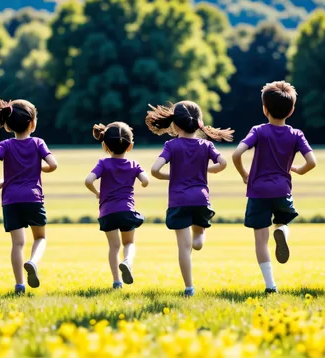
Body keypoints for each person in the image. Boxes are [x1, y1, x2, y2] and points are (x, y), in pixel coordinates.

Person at [231, 81, 316, 294]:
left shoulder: (258, 131)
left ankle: (270, 285)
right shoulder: (296, 135)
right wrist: (296, 169)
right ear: (292, 110)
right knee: (282, 222)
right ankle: (283, 232)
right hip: (282, 190)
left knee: (261, 240)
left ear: (264, 109)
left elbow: (236, 154)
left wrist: (244, 174)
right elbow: (312, 162)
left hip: (258, 191)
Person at [145, 101, 233, 297]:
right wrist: (207, 170)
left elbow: (154, 170)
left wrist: (171, 176)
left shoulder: (171, 145)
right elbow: (224, 163)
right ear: (199, 123)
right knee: (197, 239)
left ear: (175, 125)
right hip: (201, 200)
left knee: (183, 248)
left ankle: (189, 288)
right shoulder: (206, 145)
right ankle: (199, 239)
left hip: (179, 202)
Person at [0, 98, 58, 295]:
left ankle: (19, 285)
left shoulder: (6, 145)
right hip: (33, 198)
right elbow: (53, 165)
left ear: (7, 125)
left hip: (10, 200)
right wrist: (37, 167)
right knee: (40, 237)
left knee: (17, 243)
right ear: (32, 123)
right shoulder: (38, 143)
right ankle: (33, 261)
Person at [84, 122, 149, 289]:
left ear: (105, 145)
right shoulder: (134, 165)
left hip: (107, 212)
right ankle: (127, 261)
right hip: (126, 210)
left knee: (113, 247)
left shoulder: (103, 164)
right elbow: (146, 180)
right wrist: (142, 183)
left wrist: (96, 192)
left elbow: (88, 181)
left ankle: (117, 281)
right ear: (130, 146)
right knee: (129, 243)